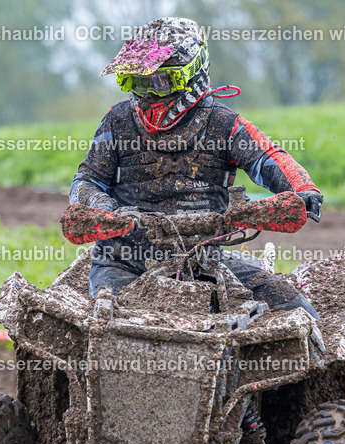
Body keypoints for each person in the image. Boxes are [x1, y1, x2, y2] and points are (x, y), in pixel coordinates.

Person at [69, 17, 323, 316]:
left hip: (205, 260)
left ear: (192, 75)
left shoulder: (223, 123)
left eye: (160, 82)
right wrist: (111, 210)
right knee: (110, 319)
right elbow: (85, 182)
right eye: (136, 82)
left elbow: (268, 158)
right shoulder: (118, 120)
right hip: (124, 259)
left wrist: (302, 189)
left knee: (296, 309)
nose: (147, 94)